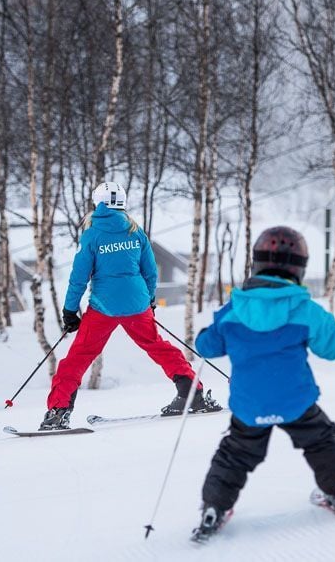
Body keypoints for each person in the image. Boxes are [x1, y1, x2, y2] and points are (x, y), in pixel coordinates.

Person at [189, 226, 335, 541]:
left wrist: (206, 333)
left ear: (257, 262)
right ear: (299, 267)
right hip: (296, 402)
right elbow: (332, 346)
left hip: (250, 406)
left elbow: (207, 346)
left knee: (235, 454)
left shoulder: (234, 310)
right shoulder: (305, 309)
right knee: (322, 441)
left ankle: (214, 508)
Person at [39, 181, 221, 431]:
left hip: (104, 307)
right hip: (137, 304)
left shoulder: (92, 234)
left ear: (98, 203)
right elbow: (150, 271)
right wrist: (149, 300)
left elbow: (78, 277)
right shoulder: (135, 231)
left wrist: (70, 310)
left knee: (78, 357)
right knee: (158, 346)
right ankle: (192, 393)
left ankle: (58, 411)